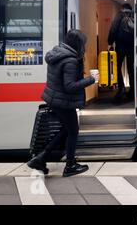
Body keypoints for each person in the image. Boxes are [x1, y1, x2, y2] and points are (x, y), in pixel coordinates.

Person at [27, 30, 97, 177]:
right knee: (73, 131)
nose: (84, 46)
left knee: (67, 129)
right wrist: (91, 79)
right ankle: (70, 165)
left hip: (55, 99)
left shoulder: (58, 53)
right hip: (63, 101)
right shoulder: (70, 60)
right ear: (78, 44)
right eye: (83, 44)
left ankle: (41, 158)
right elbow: (70, 86)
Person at [108, 3, 135, 102]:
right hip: (132, 47)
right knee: (131, 68)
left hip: (121, 46)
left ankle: (121, 88)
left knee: (116, 67)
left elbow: (113, 29)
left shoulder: (119, 15)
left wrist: (110, 42)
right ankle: (132, 91)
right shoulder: (134, 15)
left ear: (122, 8)